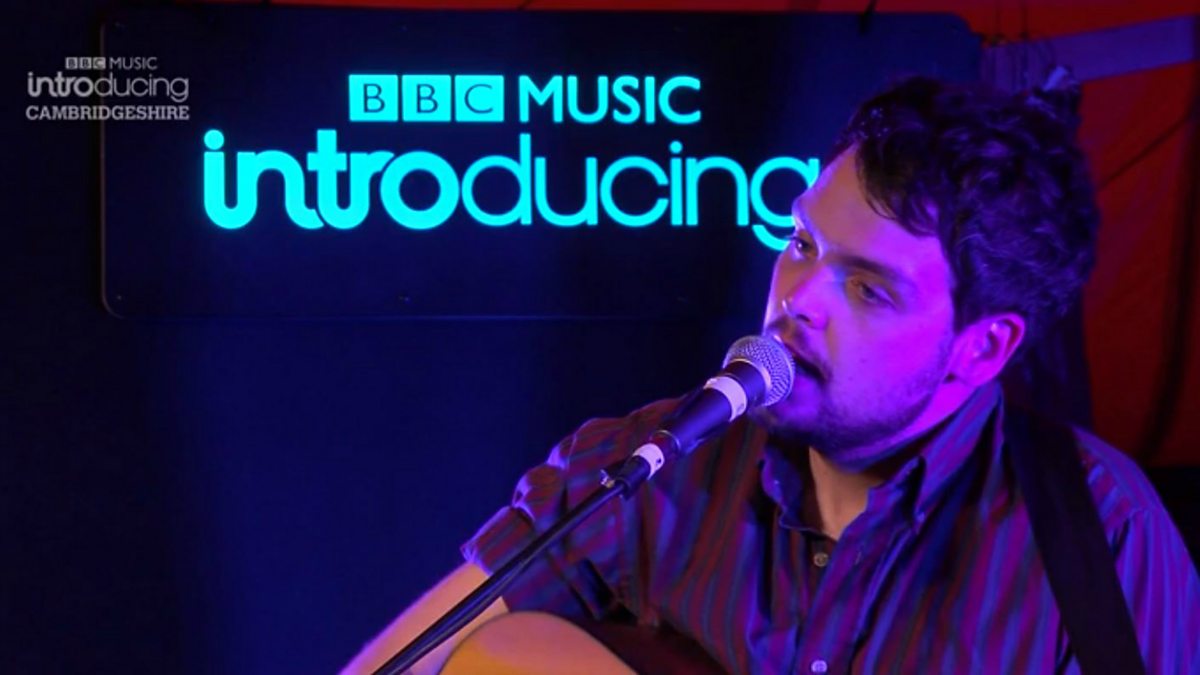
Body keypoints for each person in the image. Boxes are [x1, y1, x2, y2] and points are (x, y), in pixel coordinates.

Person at [342, 76, 1200, 674]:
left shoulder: (1104, 534)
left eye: (868, 288)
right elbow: (409, 662)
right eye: (801, 243)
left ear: (981, 348)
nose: (797, 301)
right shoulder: (648, 464)